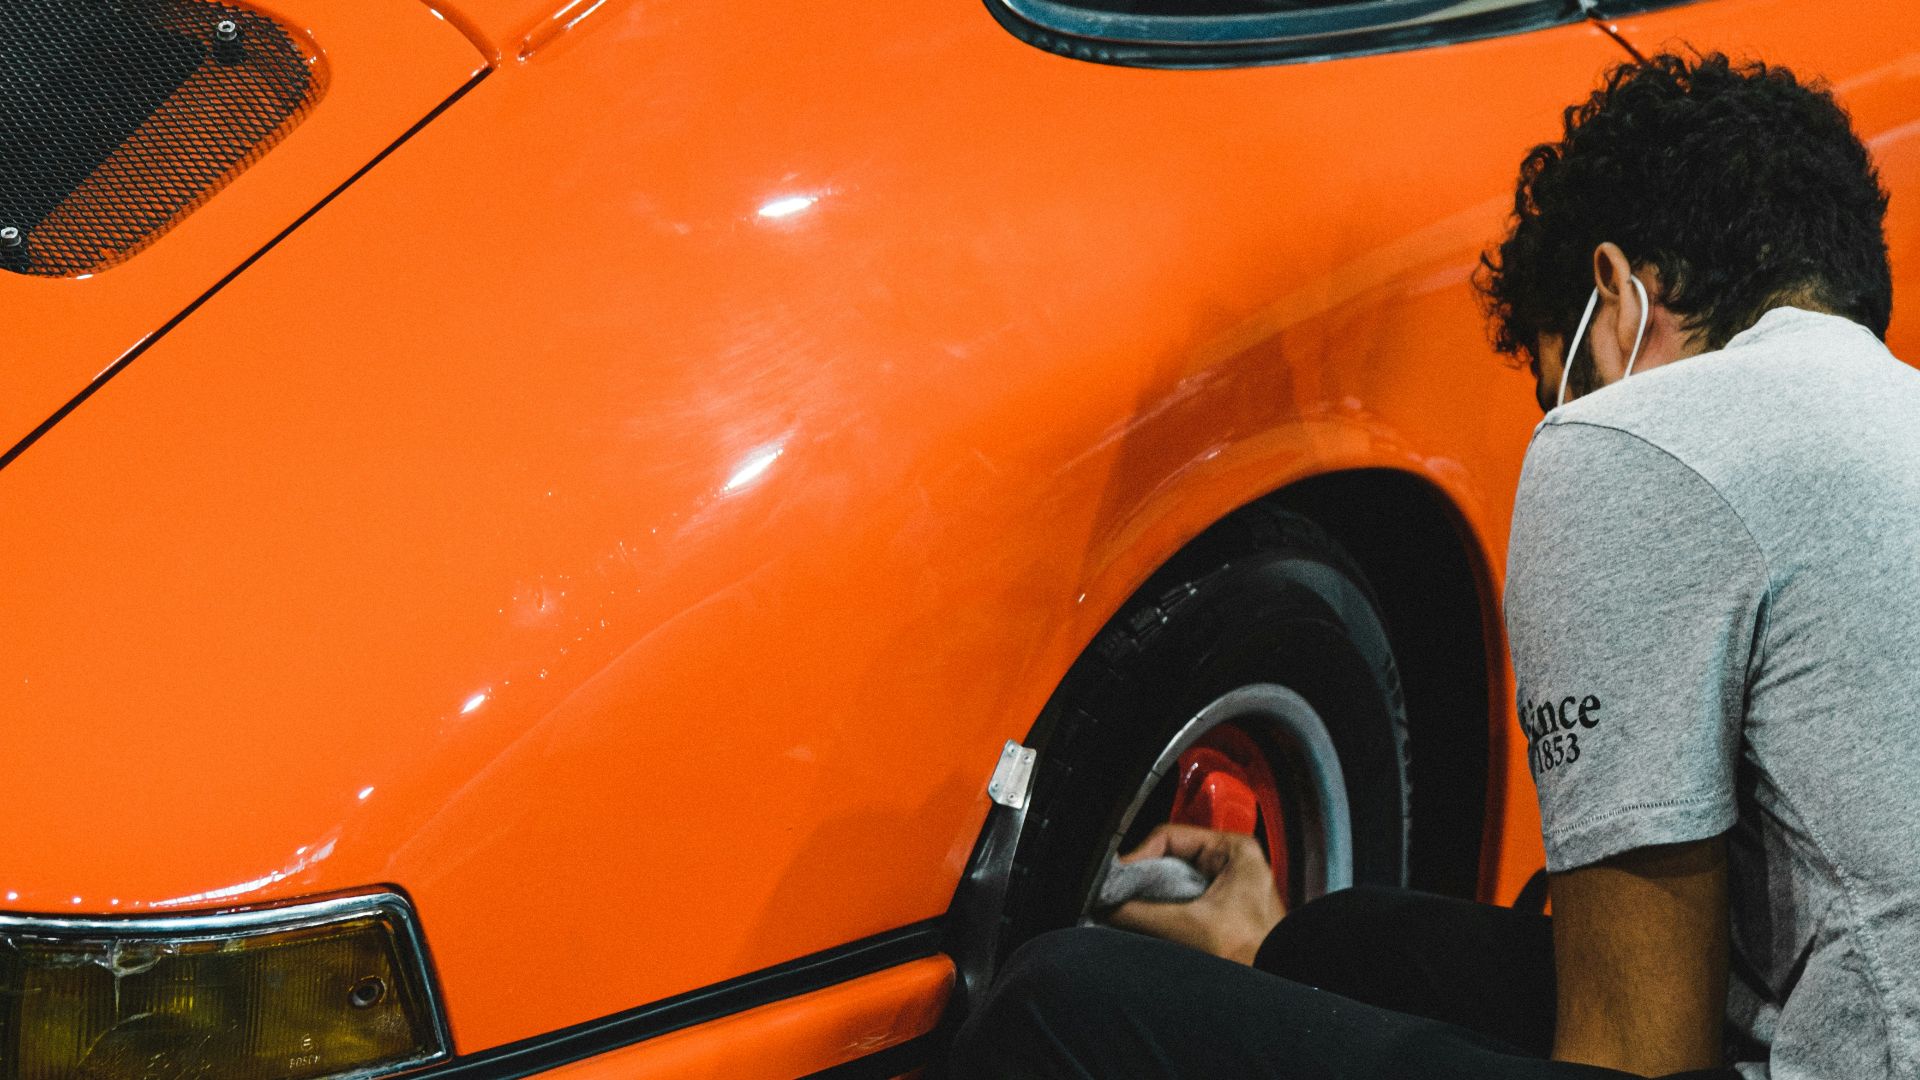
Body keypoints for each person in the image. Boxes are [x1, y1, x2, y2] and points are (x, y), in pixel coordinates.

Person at [950, 51, 1920, 1080]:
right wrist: (1274, 961)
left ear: (1618, 297)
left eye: (1564, 382)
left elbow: (1637, 1053)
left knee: (1062, 1004)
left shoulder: (1641, 439)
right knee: (1342, 946)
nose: (1570, 421)